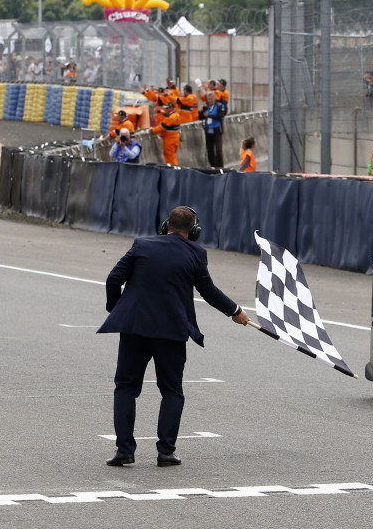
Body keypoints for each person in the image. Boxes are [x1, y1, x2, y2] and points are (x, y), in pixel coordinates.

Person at [99, 206, 251, 467]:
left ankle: (124, 450)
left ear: (165, 225)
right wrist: (235, 311)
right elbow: (209, 291)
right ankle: (166, 452)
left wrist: (117, 308)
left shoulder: (142, 245)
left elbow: (114, 279)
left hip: (135, 328)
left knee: (125, 387)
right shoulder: (196, 253)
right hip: (171, 332)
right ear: (194, 231)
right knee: (171, 391)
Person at [202, 93, 226, 168]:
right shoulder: (206, 107)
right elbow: (201, 117)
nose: (210, 100)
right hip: (208, 131)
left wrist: (209, 115)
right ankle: (213, 165)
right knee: (210, 150)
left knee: (218, 150)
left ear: (214, 98)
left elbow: (220, 116)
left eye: (212, 99)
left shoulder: (219, 106)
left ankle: (220, 167)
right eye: (209, 99)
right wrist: (200, 111)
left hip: (217, 131)